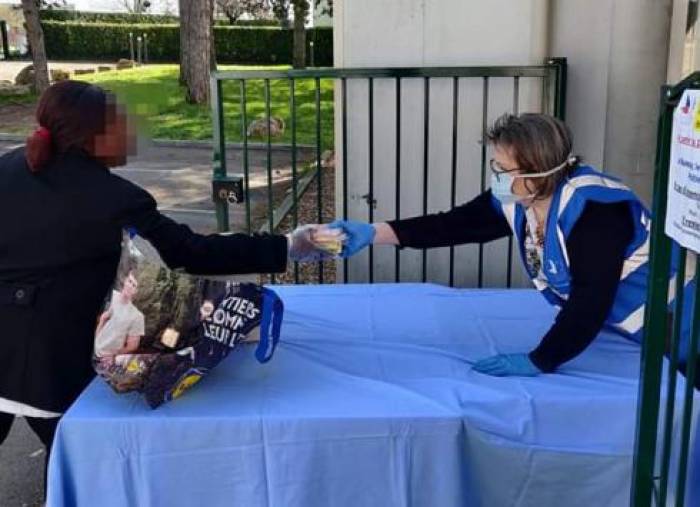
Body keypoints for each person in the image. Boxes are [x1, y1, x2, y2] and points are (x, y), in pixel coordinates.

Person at [0, 80, 320, 492]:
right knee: (75, 469)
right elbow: (192, 252)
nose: (130, 136)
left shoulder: (7, 167)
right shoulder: (113, 195)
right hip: (46, 364)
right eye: (120, 125)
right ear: (94, 134)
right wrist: (289, 245)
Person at [329, 112, 697, 381]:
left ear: (537, 171)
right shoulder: (517, 198)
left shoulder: (596, 210)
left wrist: (542, 359)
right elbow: (452, 225)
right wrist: (373, 232)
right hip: (634, 330)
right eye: (496, 164)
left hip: (683, 326)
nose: (496, 177)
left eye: (504, 169)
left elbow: (591, 299)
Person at [95, 270, 145, 358]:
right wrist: (101, 322)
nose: (130, 286)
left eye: (134, 286)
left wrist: (113, 356)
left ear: (136, 291)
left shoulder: (137, 316)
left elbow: (132, 346)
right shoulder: (112, 295)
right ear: (125, 280)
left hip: (104, 358)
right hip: (94, 346)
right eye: (130, 281)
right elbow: (104, 320)